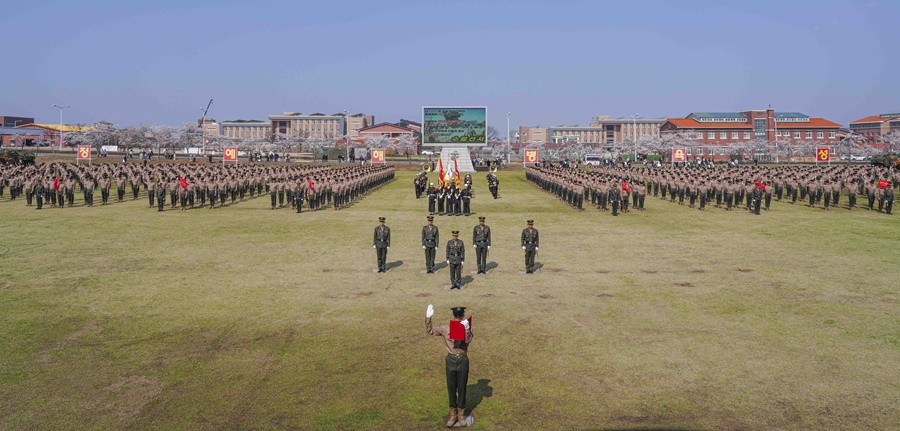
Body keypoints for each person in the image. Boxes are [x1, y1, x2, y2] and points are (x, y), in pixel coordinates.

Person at [425, 304, 473, 428]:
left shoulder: (466, 327)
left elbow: (468, 341)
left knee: (462, 387)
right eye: (456, 316)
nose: (458, 318)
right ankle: (453, 414)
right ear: (454, 316)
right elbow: (430, 331)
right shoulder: (446, 328)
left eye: (460, 316)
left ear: (463, 316)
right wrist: (428, 318)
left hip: (462, 360)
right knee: (451, 387)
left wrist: (467, 329)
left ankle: (461, 414)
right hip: (451, 360)